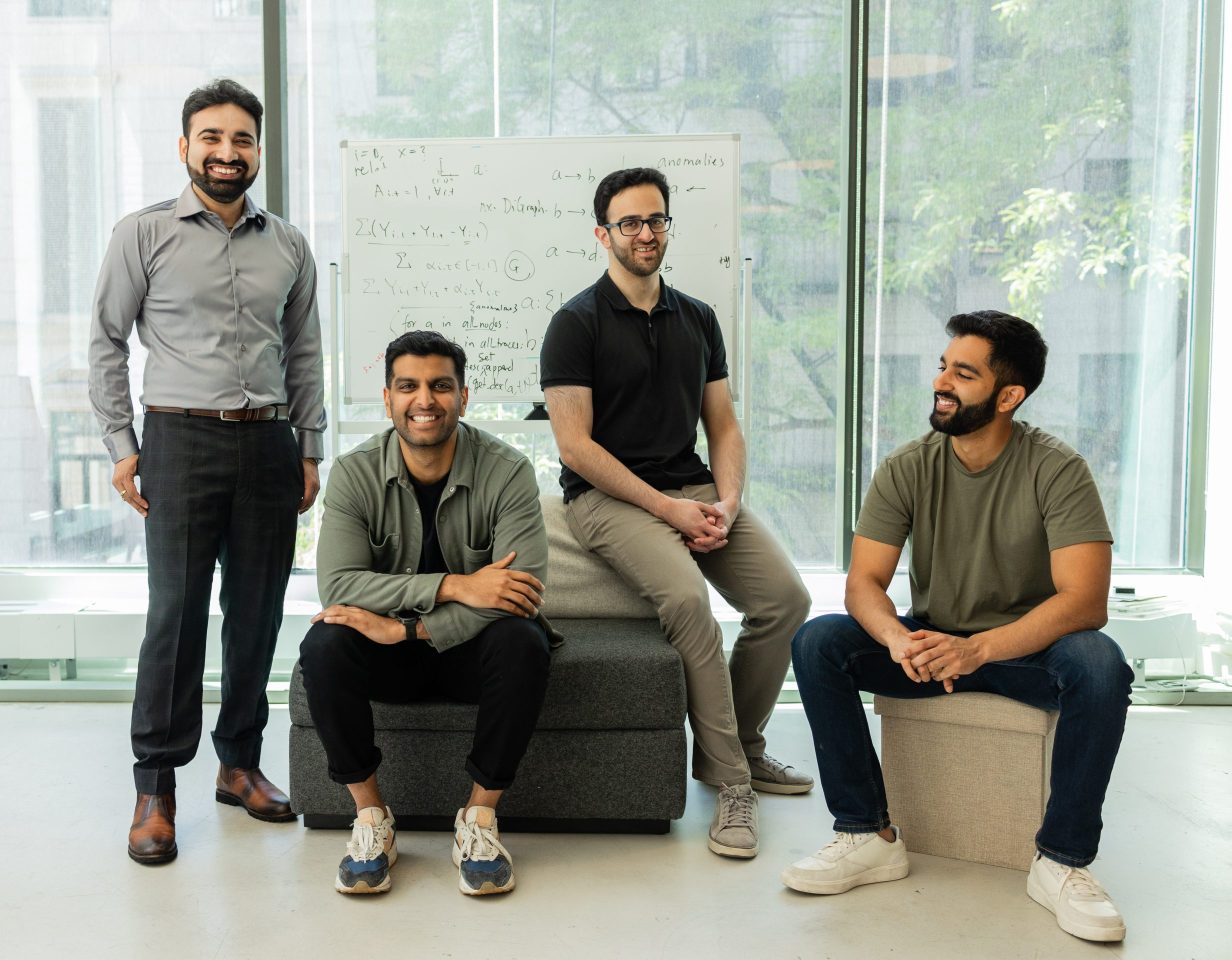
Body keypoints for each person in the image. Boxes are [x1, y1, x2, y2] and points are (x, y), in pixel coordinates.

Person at [782, 310, 1132, 943]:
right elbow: (864, 584)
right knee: (819, 641)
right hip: (931, 642)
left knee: (1101, 662)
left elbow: (1085, 602)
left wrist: (980, 650)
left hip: (1026, 651)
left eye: (963, 374)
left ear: (1009, 396)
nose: (941, 382)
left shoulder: (1057, 468)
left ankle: (1062, 861)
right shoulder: (907, 466)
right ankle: (865, 833)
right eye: (944, 367)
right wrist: (897, 638)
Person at [539, 167, 812, 860]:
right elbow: (575, 446)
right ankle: (731, 784)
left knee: (786, 600)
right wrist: (669, 510)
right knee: (690, 602)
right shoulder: (574, 323)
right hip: (606, 500)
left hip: (695, 490)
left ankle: (741, 744)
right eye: (629, 222)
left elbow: (723, 424)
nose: (645, 233)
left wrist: (727, 501)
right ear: (603, 234)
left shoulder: (698, 318)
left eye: (655, 219)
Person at [88, 78, 326, 865]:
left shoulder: (288, 245)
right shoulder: (143, 234)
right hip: (179, 439)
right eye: (212, 138)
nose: (228, 152)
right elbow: (105, 341)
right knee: (177, 617)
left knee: (256, 615)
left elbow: (304, 352)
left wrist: (309, 447)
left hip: (268, 443)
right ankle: (155, 787)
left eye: (242, 139)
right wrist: (122, 444)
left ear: (258, 150)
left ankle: (239, 765)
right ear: (185, 147)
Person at [299, 330, 553, 896]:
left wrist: (407, 627)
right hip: (388, 661)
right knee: (324, 643)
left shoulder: (508, 470)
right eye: (408, 386)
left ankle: (479, 820)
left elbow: (522, 593)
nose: (424, 400)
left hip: (471, 656)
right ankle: (372, 819)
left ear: (463, 396)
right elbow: (339, 585)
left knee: (524, 639)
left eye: (440, 386)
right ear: (387, 397)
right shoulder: (355, 472)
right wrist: (458, 585)